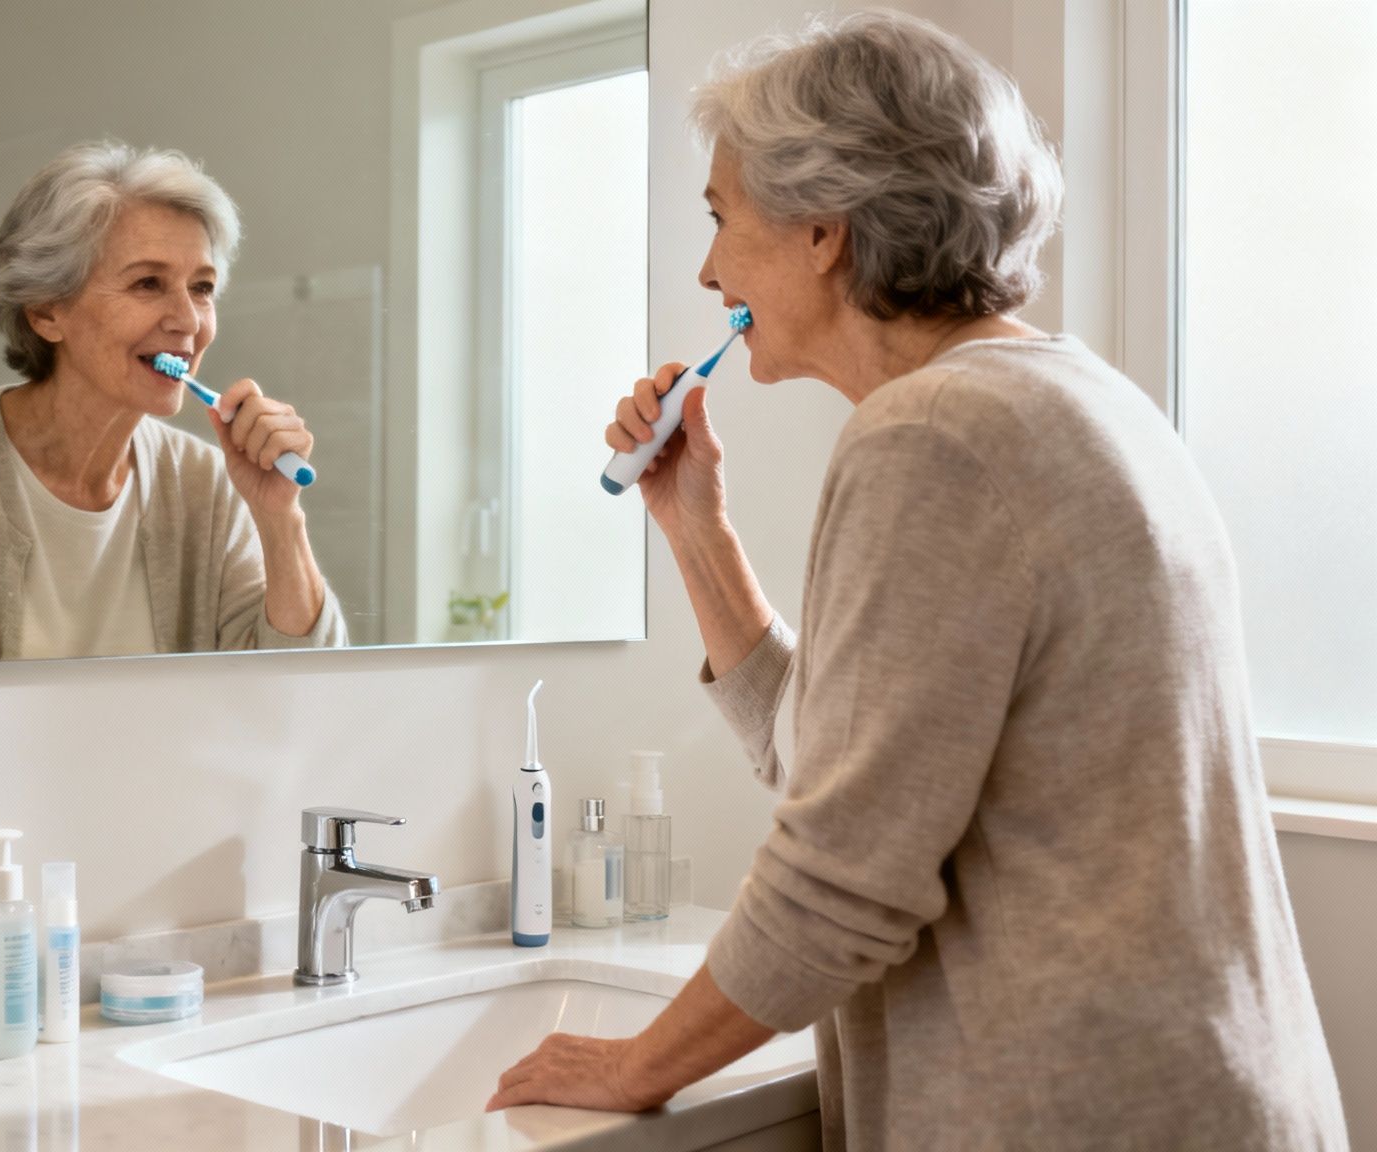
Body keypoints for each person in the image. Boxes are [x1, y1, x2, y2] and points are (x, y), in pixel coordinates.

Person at [488, 12, 1347, 1148]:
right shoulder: (1068, 395)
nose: (705, 268)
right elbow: (849, 769)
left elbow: (841, 878)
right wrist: (697, 530)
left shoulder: (933, 436)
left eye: (719, 218)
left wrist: (636, 1064)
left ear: (819, 233)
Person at [0, 141, 347, 663]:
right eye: (148, 283)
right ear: (46, 313)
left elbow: (300, 689)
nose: (188, 320)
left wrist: (278, 518)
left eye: (202, 288)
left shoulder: (207, 482)